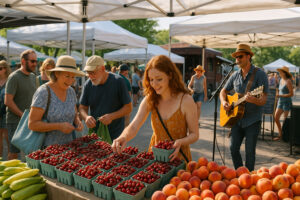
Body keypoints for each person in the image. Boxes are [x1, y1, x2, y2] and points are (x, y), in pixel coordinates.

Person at [112, 55, 199, 162]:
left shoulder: (186, 100)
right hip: (155, 158)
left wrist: (180, 142)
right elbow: (134, 126)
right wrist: (123, 137)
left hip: (178, 159)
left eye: (159, 79)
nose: (154, 84)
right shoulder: (150, 99)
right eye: (151, 79)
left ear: (170, 75)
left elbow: (194, 134)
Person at [220, 44, 268, 171]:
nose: (237, 59)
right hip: (237, 119)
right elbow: (223, 91)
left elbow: (263, 99)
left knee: (249, 152)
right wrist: (224, 102)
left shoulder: (260, 74)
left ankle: (250, 179)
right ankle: (240, 173)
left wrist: (254, 100)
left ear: (248, 56)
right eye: (236, 57)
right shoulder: (235, 75)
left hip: (253, 120)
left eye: (240, 56)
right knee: (233, 148)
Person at [28, 55, 84, 146]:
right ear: (57, 73)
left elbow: (74, 113)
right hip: (46, 152)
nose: (70, 81)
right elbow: (32, 124)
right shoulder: (43, 92)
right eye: (67, 76)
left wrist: (77, 121)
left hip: (69, 148)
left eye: (73, 77)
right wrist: (59, 126)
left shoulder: (71, 92)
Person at [79, 55, 132, 141]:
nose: (91, 76)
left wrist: (112, 116)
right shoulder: (88, 84)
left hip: (116, 135)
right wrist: (86, 117)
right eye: (88, 73)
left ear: (103, 69)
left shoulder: (118, 81)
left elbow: (128, 108)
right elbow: (82, 107)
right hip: (95, 134)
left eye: (93, 73)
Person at [5, 49, 38, 160]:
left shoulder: (33, 77)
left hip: (30, 121)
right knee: (14, 153)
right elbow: (8, 101)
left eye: (36, 61)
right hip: (15, 121)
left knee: (31, 151)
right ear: (23, 61)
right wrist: (23, 115)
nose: (35, 64)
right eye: (32, 61)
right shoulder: (14, 77)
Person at [273, 66, 294, 141]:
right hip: (280, 102)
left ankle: (285, 136)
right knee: (276, 117)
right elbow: (279, 89)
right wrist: (277, 92)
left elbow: (292, 94)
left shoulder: (288, 81)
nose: (279, 73)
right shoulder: (281, 79)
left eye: (280, 72)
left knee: (285, 120)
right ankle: (280, 133)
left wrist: (280, 95)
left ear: (284, 73)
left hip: (286, 102)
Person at [0, 61, 11, 158]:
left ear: (5, 69)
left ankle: (10, 161)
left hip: (6, 113)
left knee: (7, 138)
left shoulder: (9, 81)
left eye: (0, 68)